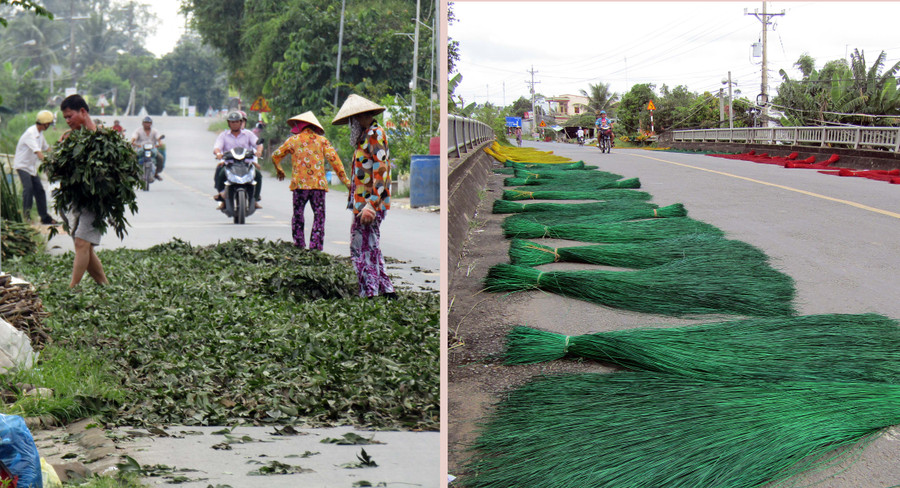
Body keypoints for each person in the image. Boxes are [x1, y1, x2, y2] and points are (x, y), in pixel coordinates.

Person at [332, 94, 396, 299]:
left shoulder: (375, 134)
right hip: (362, 203)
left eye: (352, 121)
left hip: (371, 203)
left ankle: (369, 293)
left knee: (361, 248)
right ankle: (386, 290)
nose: (351, 125)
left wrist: (371, 205)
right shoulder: (365, 137)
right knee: (371, 246)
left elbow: (382, 171)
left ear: (359, 118)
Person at [271, 111, 351, 250]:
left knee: (298, 214)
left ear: (301, 125)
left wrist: (279, 170)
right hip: (318, 186)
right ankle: (316, 246)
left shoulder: (293, 141)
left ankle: (299, 244)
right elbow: (336, 162)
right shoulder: (322, 141)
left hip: (300, 185)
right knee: (319, 216)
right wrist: (347, 182)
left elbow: (275, 155)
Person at [58, 94, 108, 288]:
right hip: (74, 199)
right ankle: (104, 284)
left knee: (81, 243)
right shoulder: (69, 138)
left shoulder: (102, 138)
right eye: (65, 118)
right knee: (84, 246)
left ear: (83, 112)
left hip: (95, 200)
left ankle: (72, 289)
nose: (68, 121)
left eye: (70, 116)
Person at [13, 110, 58, 225]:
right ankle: (26, 217)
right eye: (49, 123)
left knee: (40, 190)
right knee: (28, 189)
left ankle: (44, 217)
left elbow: (46, 148)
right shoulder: (30, 134)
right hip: (22, 166)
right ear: (45, 123)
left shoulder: (40, 133)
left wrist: (57, 156)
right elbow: (39, 153)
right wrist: (50, 164)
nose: (49, 125)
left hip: (31, 167)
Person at [213, 111, 263, 209]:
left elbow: (258, 144)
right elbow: (217, 147)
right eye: (232, 122)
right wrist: (218, 153)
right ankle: (222, 196)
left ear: (241, 122)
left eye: (237, 122)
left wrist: (259, 151)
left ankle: (255, 199)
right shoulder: (223, 135)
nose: (234, 124)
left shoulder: (248, 134)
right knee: (220, 172)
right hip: (230, 164)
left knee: (258, 175)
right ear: (228, 123)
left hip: (246, 164)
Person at [130, 116, 165, 180]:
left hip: (152, 149)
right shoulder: (138, 131)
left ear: (151, 124)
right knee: (131, 157)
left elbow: (158, 138)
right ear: (142, 123)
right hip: (140, 149)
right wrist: (133, 142)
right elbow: (134, 137)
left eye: (148, 123)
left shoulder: (155, 131)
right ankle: (132, 173)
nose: (147, 124)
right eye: (145, 123)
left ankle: (156, 173)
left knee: (160, 158)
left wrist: (160, 143)